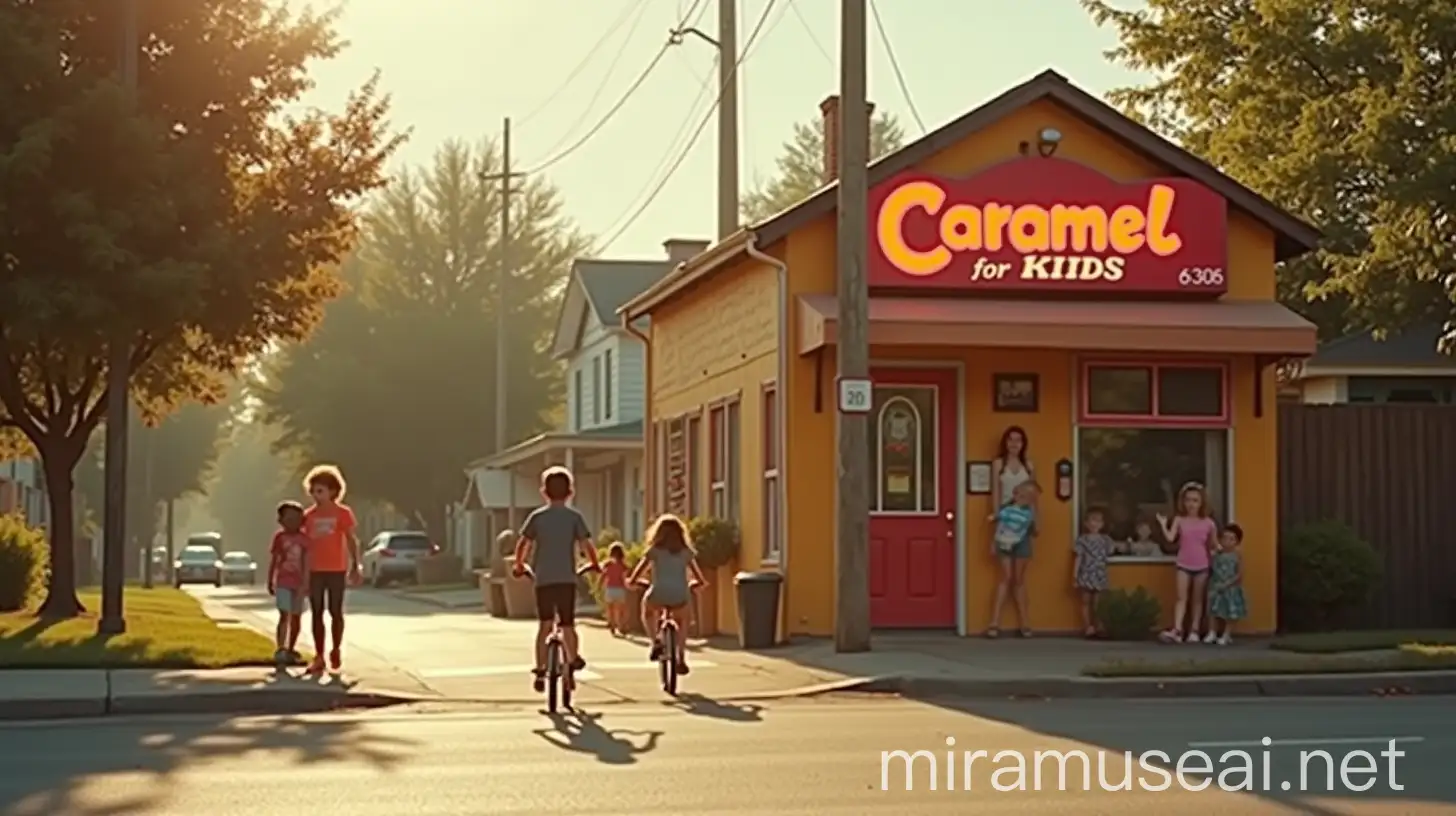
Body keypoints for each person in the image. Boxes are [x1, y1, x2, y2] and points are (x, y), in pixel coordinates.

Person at [512, 466, 600, 693]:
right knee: (568, 624)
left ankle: (540, 669)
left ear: (544, 492)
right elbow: (586, 545)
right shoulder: (574, 517)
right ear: (570, 492)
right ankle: (572, 659)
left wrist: (519, 564)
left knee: (545, 625)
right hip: (566, 579)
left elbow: (523, 544)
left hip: (543, 580)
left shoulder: (537, 517)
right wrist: (595, 564)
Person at [628, 514, 707, 674]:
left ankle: (655, 641)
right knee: (683, 621)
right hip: (680, 595)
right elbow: (699, 577)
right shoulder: (686, 552)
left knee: (648, 610)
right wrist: (696, 583)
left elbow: (639, 571)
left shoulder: (654, 551)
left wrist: (633, 581)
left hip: (659, 593)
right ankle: (681, 657)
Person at [302, 464, 361, 673]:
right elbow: (304, 545)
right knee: (316, 612)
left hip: (336, 568)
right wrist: (303, 572)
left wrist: (356, 565)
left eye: (320, 491)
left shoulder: (343, 513)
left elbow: (351, 539)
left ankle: (335, 649)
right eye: (313, 491)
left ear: (333, 492)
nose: (316, 496)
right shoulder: (308, 516)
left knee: (336, 611)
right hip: (315, 570)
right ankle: (319, 655)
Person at [1156, 481, 1219, 643]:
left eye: (1195, 500)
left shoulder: (1209, 523)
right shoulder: (1179, 520)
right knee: (1181, 597)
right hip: (1183, 563)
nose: (1191, 504)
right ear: (1183, 502)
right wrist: (1163, 525)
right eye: (1188, 500)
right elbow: (1171, 538)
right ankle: (1177, 629)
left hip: (1202, 565)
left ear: (1202, 502)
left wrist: (1225, 551)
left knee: (1198, 599)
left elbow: (1213, 544)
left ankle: (1195, 630)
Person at [986, 481, 1039, 638]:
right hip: (1004, 541)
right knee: (1005, 577)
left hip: (1022, 541)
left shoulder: (1030, 511)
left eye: (1028, 497)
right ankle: (994, 621)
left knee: (1019, 580)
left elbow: (1037, 531)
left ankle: (1024, 622)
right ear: (1015, 494)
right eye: (1020, 495)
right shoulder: (1006, 509)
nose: (1023, 498)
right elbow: (998, 525)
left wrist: (1034, 510)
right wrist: (993, 544)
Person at [266, 501, 310, 665]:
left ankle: (291, 648)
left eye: (296, 519)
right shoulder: (280, 538)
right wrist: (270, 579)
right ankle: (280, 648)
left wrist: (306, 584)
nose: (292, 522)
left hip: (298, 583)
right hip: (283, 581)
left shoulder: (304, 540)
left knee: (296, 616)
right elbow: (275, 559)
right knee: (284, 614)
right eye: (289, 518)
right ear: (281, 520)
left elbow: (306, 563)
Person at [1073, 507, 1113, 638]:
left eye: (1098, 521)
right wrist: (1074, 575)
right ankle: (1088, 627)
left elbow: (1112, 551)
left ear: (1102, 524)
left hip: (1100, 573)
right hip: (1086, 572)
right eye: (1092, 520)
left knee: (1098, 602)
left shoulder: (1106, 540)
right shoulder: (1082, 540)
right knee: (1085, 601)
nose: (1094, 524)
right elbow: (1078, 557)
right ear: (1086, 523)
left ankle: (1099, 626)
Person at [1206, 523, 1246, 645]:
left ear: (1237, 542)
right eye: (1224, 538)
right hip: (1216, 585)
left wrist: (1228, 584)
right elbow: (1212, 568)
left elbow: (1239, 574)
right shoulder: (1218, 554)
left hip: (1231, 587)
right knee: (1213, 610)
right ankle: (1212, 632)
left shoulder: (1237, 555)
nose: (1227, 541)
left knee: (1230, 612)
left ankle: (1226, 634)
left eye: (1231, 539)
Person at [601, 543, 630, 636]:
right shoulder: (623, 566)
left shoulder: (607, 565)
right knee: (620, 610)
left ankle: (612, 624)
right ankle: (621, 625)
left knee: (610, 609)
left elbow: (603, 576)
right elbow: (624, 578)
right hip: (620, 589)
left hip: (610, 589)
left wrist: (600, 584)